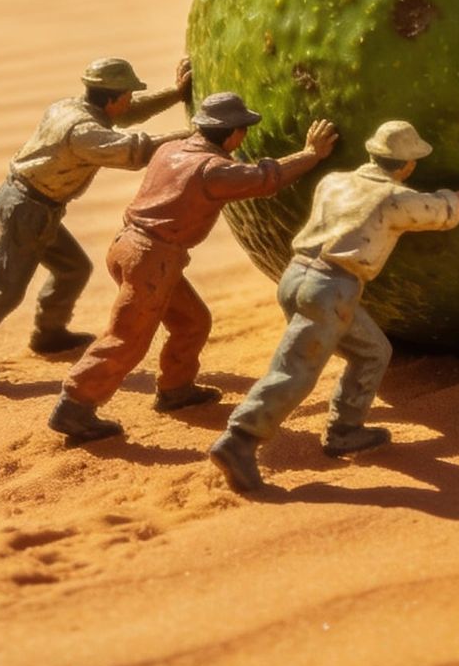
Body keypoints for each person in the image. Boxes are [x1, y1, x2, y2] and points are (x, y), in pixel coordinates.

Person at [209, 121, 459, 494]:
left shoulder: (334, 181)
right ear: (407, 166)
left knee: (373, 351)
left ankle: (345, 431)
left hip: (295, 278)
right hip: (331, 289)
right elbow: (448, 208)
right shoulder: (393, 200)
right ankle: (240, 439)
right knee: (296, 370)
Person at [48, 93, 339, 442]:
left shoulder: (172, 150)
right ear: (232, 135)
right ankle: (75, 405)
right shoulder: (211, 170)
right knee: (127, 336)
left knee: (191, 322)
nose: (243, 138)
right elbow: (265, 179)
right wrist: (310, 155)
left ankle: (176, 389)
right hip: (152, 260)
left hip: (130, 247)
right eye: (243, 131)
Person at [0, 56, 192, 387]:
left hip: (27, 202)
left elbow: (127, 114)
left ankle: (49, 334)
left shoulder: (70, 107)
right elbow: (132, 151)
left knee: (72, 268)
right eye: (126, 94)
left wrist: (175, 94)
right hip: (29, 211)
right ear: (111, 97)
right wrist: (194, 137)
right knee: (4, 290)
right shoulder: (82, 133)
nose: (128, 99)